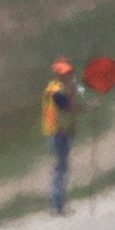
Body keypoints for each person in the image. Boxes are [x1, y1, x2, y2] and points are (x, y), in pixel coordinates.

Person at [41, 56, 83, 215]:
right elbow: (67, 108)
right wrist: (88, 108)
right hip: (56, 133)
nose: (69, 75)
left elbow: (68, 104)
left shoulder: (58, 89)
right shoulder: (56, 90)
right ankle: (56, 204)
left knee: (62, 167)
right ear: (59, 74)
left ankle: (57, 203)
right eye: (66, 73)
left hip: (59, 132)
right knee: (61, 168)